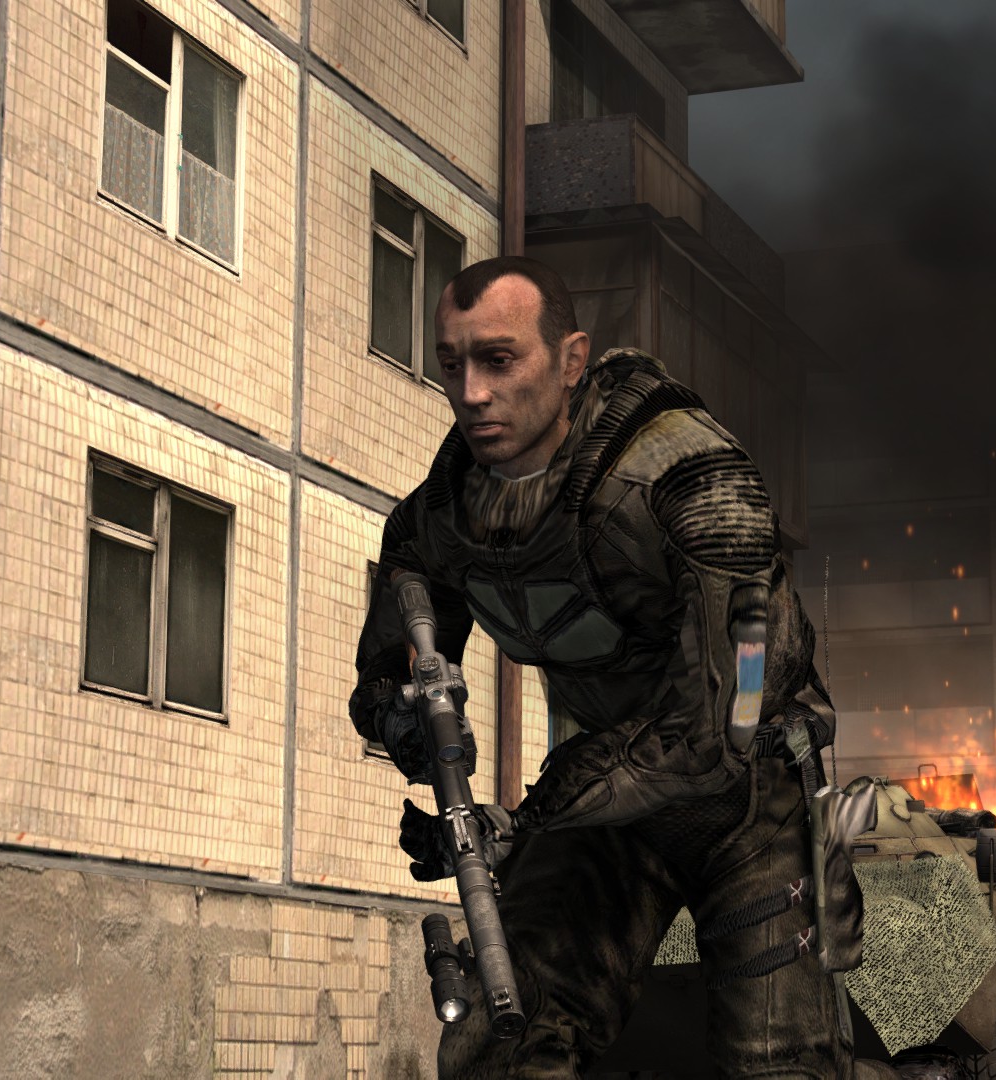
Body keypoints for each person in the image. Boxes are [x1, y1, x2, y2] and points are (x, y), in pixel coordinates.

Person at [349, 255, 877, 1078]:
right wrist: (410, 730)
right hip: (609, 804)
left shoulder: (694, 481)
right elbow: (385, 675)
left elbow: (723, 728)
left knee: (778, 1065)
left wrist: (526, 821)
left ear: (570, 361)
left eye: (499, 360)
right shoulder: (439, 516)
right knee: (505, 1042)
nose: (472, 393)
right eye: (452, 365)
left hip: (750, 799)